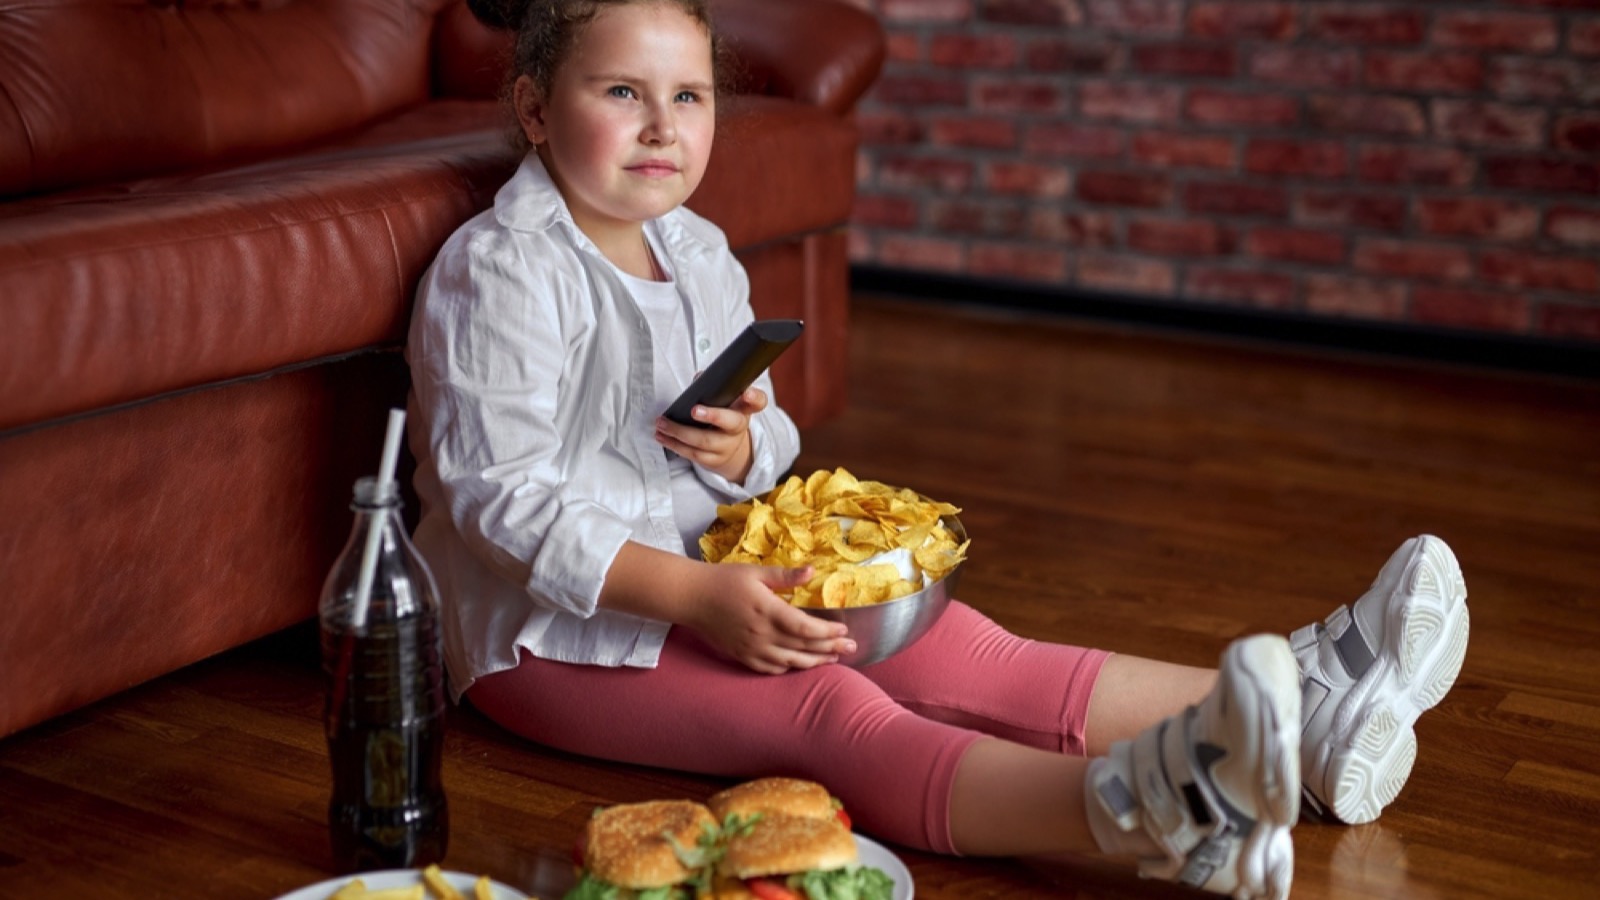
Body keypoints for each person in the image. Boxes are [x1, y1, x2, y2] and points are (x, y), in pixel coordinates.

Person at [404, 2, 1472, 897]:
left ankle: (1309, 709)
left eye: (688, 97)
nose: (661, 127)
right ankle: (1157, 816)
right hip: (550, 637)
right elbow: (500, 499)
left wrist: (740, 452)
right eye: (620, 94)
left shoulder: (698, 253)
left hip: (718, 575)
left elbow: (770, 438)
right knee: (830, 709)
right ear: (537, 109)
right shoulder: (501, 270)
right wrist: (690, 597)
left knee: (965, 650)